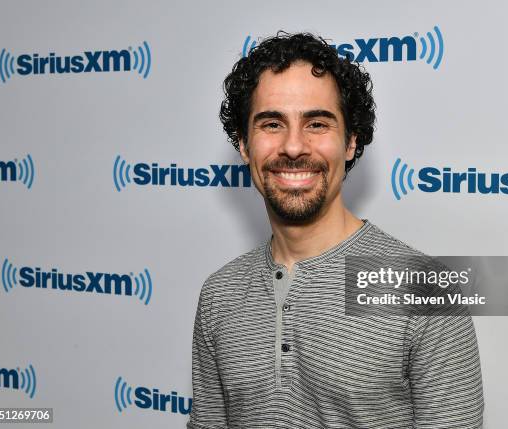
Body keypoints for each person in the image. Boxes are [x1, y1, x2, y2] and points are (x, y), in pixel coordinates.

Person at [187, 32, 484, 429]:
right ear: (244, 144)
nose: (294, 147)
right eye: (272, 123)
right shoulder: (218, 295)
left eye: (317, 123)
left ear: (350, 142)